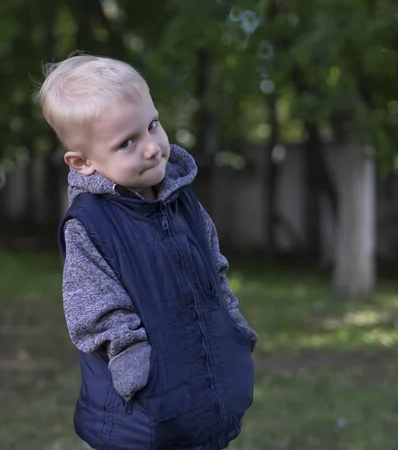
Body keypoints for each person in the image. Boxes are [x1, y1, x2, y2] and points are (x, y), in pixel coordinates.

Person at [37, 53, 257, 450]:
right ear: (82, 162)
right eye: (127, 143)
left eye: (152, 125)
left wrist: (232, 322)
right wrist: (132, 361)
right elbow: (93, 307)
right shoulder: (89, 224)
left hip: (199, 397)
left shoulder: (181, 198)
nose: (153, 148)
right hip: (137, 419)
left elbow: (213, 268)